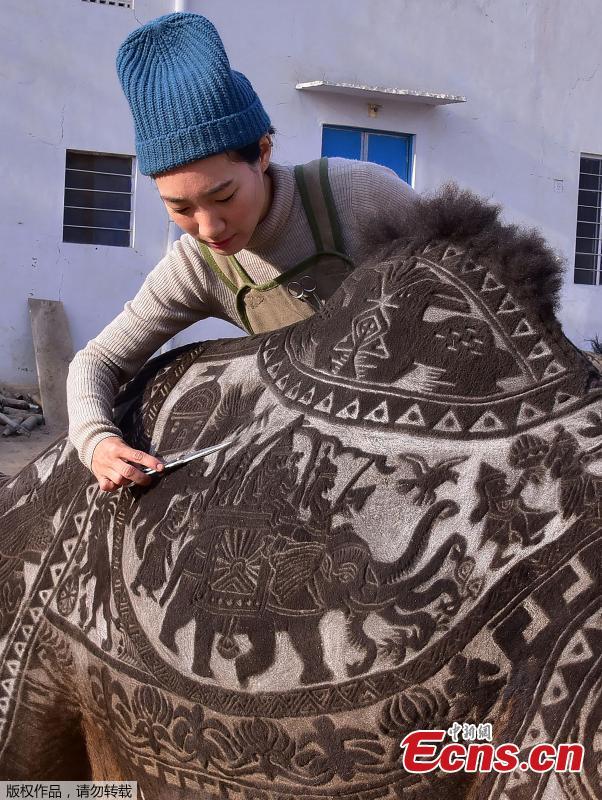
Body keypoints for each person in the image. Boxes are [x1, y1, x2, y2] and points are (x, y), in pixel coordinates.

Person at [66, 11, 416, 492]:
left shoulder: (358, 196)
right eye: (180, 207)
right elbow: (98, 361)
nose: (208, 226)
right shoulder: (196, 268)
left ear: (264, 153)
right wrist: (97, 441)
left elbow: (478, 275)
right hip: (339, 455)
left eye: (224, 196)